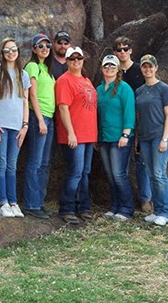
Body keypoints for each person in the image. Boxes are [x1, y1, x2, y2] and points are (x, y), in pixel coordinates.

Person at [0, 37, 30, 218]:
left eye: (14, 50)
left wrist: (25, 125)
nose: (11, 53)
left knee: (12, 165)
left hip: (17, 126)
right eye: (7, 50)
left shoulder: (23, 74)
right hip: (0, 126)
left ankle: (13, 202)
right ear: (2, 54)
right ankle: (3, 202)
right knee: (1, 163)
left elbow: (25, 101)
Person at [55, 47, 98, 224]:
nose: (76, 61)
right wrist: (71, 133)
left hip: (89, 135)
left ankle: (84, 207)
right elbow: (63, 107)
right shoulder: (64, 81)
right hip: (74, 135)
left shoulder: (87, 80)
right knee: (75, 172)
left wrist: (94, 136)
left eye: (79, 57)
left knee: (85, 172)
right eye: (71, 58)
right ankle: (67, 208)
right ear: (66, 61)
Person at [114, 36, 152, 212]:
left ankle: (145, 199)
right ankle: (122, 200)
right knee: (121, 164)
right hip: (118, 123)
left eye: (125, 48)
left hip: (140, 121)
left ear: (131, 50)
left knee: (142, 161)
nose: (122, 52)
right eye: (118, 49)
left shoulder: (139, 70)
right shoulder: (112, 71)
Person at [135, 55, 168, 226]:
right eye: (144, 67)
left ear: (156, 68)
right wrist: (137, 139)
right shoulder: (140, 91)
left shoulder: (164, 89)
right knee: (151, 175)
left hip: (160, 136)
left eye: (150, 66)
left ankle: (166, 212)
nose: (147, 69)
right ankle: (157, 210)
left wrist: (165, 138)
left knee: (159, 174)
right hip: (144, 138)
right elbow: (138, 117)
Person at [96, 54, 135, 221]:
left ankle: (126, 208)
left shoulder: (124, 88)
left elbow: (129, 112)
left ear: (118, 69)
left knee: (119, 174)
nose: (109, 69)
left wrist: (126, 134)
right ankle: (114, 206)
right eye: (106, 66)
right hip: (104, 137)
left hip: (120, 137)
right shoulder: (98, 90)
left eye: (113, 66)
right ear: (102, 69)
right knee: (110, 174)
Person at [22, 33, 56, 220]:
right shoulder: (32, 66)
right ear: (34, 49)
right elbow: (32, 94)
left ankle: (39, 202)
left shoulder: (46, 68)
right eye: (40, 46)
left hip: (49, 117)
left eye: (47, 46)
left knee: (44, 163)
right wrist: (40, 119)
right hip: (39, 117)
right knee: (35, 162)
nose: (44, 49)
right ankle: (31, 204)